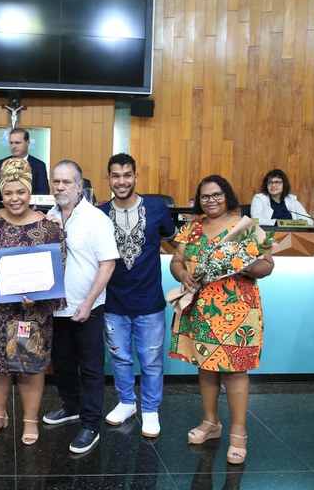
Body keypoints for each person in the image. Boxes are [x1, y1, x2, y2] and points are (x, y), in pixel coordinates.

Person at [169, 175, 274, 465]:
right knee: (205, 366)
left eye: (216, 194)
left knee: (235, 371)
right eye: (205, 196)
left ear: (227, 195)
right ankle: (210, 423)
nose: (211, 200)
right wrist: (183, 274)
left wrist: (245, 265)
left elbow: (268, 265)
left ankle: (238, 434)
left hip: (237, 312)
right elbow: (176, 261)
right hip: (201, 309)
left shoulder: (245, 227)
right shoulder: (192, 228)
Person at [0, 158, 66, 445]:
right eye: (8, 193)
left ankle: (30, 420)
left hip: (31, 311)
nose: (15, 198)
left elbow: (58, 267)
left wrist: (36, 295)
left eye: (21, 192)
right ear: (1, 194)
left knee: (29, 365)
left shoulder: (48, 226)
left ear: (30, 192)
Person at [97, 154, 177, 439]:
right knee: (119, 358)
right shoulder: (99, 213)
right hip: (113, 301)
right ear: (109, 178)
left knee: (151, 360)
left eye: (127, 175)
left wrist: (186, 269)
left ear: (135, 177)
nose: (122, 181)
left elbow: (177, 242)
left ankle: (151, 409)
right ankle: (127, 402)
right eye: (116, 175)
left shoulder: (156, 208)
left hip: (149, 302)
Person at [42, 160, 119, 454]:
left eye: (67, 182)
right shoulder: (50, 216)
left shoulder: (96, 219)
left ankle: (90, 424)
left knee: (90, 368)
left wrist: (88, 302)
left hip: (87, 307)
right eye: (56, 182)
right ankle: (71, 406)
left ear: (80, 186)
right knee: (61, 363)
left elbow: (108, 264)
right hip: (55, 307)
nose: (60, 187)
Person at [0, 128, 49, 200]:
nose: (13, 146)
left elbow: (43, 194)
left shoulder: (39, 166)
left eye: (17, 143)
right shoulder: (0, 164)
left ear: (27, 143)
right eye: (11, 143)